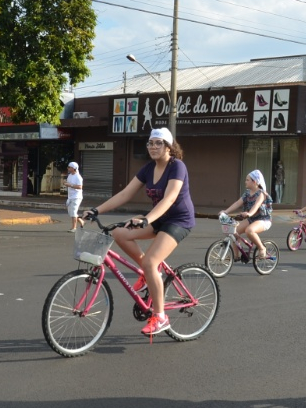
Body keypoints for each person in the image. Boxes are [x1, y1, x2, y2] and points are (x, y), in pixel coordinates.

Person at [83, 128, 195, 336]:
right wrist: (97, 209)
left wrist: (146, 219)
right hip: (158, 217)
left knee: (152, 261)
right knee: (118, 232)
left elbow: (169, 199)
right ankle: (147, 273)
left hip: (179, 220)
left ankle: (161, 317)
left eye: (158, 143)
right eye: (150, 143)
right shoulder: (148, 168)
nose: (153, 147)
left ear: (168, 146)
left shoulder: (177, 166)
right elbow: (125, 194)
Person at [221, 170, 272, 261]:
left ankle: (261, 248)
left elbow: (256, 206)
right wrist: (226, 211)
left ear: (254, 182)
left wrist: (249, 213)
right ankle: (235, 256)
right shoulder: (247, 193)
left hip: (263, 220)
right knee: (234, 231)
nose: (245, 182)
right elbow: (237, 203)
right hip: (251, 219)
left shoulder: (261, 194)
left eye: (247, 180)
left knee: (249, 230)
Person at [65, 162, 83, 232]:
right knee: (71, 212)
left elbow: (80, 187)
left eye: (69, 167)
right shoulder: (70, 175)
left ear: (73, 168)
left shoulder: (78, 177)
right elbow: (69, 183)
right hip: (70, 197)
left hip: (76, 197)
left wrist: (70, 185)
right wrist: (66, 183)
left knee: (74, 212)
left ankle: (74, 227)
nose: (68, 168)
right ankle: (81, 221)